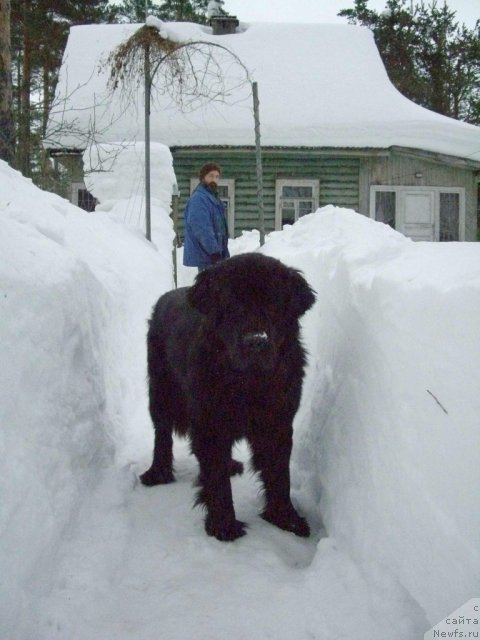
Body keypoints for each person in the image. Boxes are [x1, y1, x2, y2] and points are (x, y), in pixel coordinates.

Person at [183, 162, 230, 271]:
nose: (214, 179)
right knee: (210, 286)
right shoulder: (199, 199)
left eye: (217, 176)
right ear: (203, 178)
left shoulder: (212, 198)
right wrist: (213, 251)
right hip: (207, 256)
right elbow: (201, 228)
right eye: (211, 176)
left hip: (215, 255)